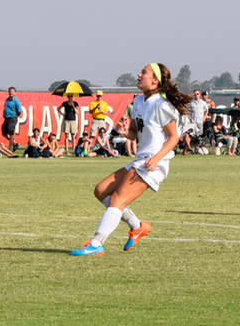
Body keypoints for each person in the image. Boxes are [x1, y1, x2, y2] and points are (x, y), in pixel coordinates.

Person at [70, 63, 191, 256]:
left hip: (152, 164)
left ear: (155, 81)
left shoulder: (161, 105)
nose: (139, 74)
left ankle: (96, 243)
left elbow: (174, 137)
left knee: (116, 200)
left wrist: (157, 158)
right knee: (101, 190)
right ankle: (137, 226)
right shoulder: (138, 101)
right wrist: (126, 132)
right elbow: (135, 133)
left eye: (144, 72)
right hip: (141, 161)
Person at [2, 87, 24, 151]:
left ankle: (10, 148)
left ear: (15, 92)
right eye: (10, 91)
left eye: (12, 91)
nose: (11, 93)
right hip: (7, 118)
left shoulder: (16, 101)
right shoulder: (7, 99)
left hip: (12, 118)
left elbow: (19, 110)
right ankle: (14, 143)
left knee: (11, 133)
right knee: (4, 133)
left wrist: (15, 116)